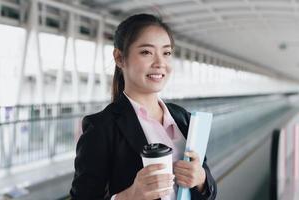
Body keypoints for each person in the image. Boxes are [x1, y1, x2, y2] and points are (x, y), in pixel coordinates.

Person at [70, 13, 217, 200]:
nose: (160, 63)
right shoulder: (101, 128)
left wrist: (202, 181)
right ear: (119, 58)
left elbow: (209, 191)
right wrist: (130, 195)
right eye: (146, 52)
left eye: (166, 53)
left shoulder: (183, 118)